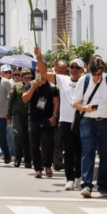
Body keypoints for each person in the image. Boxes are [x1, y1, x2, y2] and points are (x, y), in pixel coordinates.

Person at [72, 57, 107, 198]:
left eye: (99, 74)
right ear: (89, 71)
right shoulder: (84, 81)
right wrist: (85, 108)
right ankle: (86, 185)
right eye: (94, 74)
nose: (96, 77)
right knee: (88, 152)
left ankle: (103, 186)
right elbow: (74, 103)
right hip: (88, 122)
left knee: (105, 155)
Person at [35, 46, 84, 190]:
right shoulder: (62, 79)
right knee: (68, 151)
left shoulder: (87, 81)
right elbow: (43, 73)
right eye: (72, 67)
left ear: (82, 70)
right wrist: (39, 57)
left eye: (77, 67)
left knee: (80, 151)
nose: (74, 69)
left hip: (82, 122)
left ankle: (78, 176)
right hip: (65, 122)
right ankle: (69, 179)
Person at [22, 69, 59, 178]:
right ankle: (38, 168)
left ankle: (48, 165)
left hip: (47, 118)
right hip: (34, 118)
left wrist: (54, 117)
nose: (39, 73)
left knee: (49, 143)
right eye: (37, 70)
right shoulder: (29, 84)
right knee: (34, 145)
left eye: (41, 70)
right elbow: (25, 99)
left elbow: (56, 103)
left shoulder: (52, 86)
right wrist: (33, 87)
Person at [8, 68, 33, 169]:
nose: (27, 80)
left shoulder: (34, 86)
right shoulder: (17, 86)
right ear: (22, 78)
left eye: (29, 78)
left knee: (28, 137)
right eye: (25, 78)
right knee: (18, 135)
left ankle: (28, 160)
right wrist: (8, 115)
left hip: (29, 115)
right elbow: (11, 101)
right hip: (18, 114)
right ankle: (18, 158)